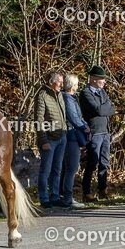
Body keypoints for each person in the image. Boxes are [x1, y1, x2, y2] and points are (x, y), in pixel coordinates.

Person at [80, 65, 115, 201]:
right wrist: (105, 108)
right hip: (94, 132)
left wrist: (105, 108)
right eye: (102, 79)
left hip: (105, 131)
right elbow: (99, 110)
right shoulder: (86, 93)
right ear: (94, 79)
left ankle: (102, 189)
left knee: (104, 162)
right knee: (92, 162)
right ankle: (86, 192)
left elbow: (111, 108)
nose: (104, 82)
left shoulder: (102, 92)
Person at [34, 71, 67, 208]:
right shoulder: (42, 95)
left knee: (57, 169)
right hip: (49, 139)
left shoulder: (60, 95)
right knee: (45, 170)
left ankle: (55, 196)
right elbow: (39, 119)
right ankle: (44, 198)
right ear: (51, 82)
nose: (62, 84)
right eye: (59, 81)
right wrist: (43, 140)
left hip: (61, 136)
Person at [60, 73, 89, 208]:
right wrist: (85, 127)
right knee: (71, 168)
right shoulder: (68, 99)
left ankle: (64, 196)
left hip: (71, 135)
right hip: (71, 137)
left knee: (67, 168)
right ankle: (68, 197)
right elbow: (74, 117)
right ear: (72, 85)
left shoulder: (70, 98)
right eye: (76, 84)